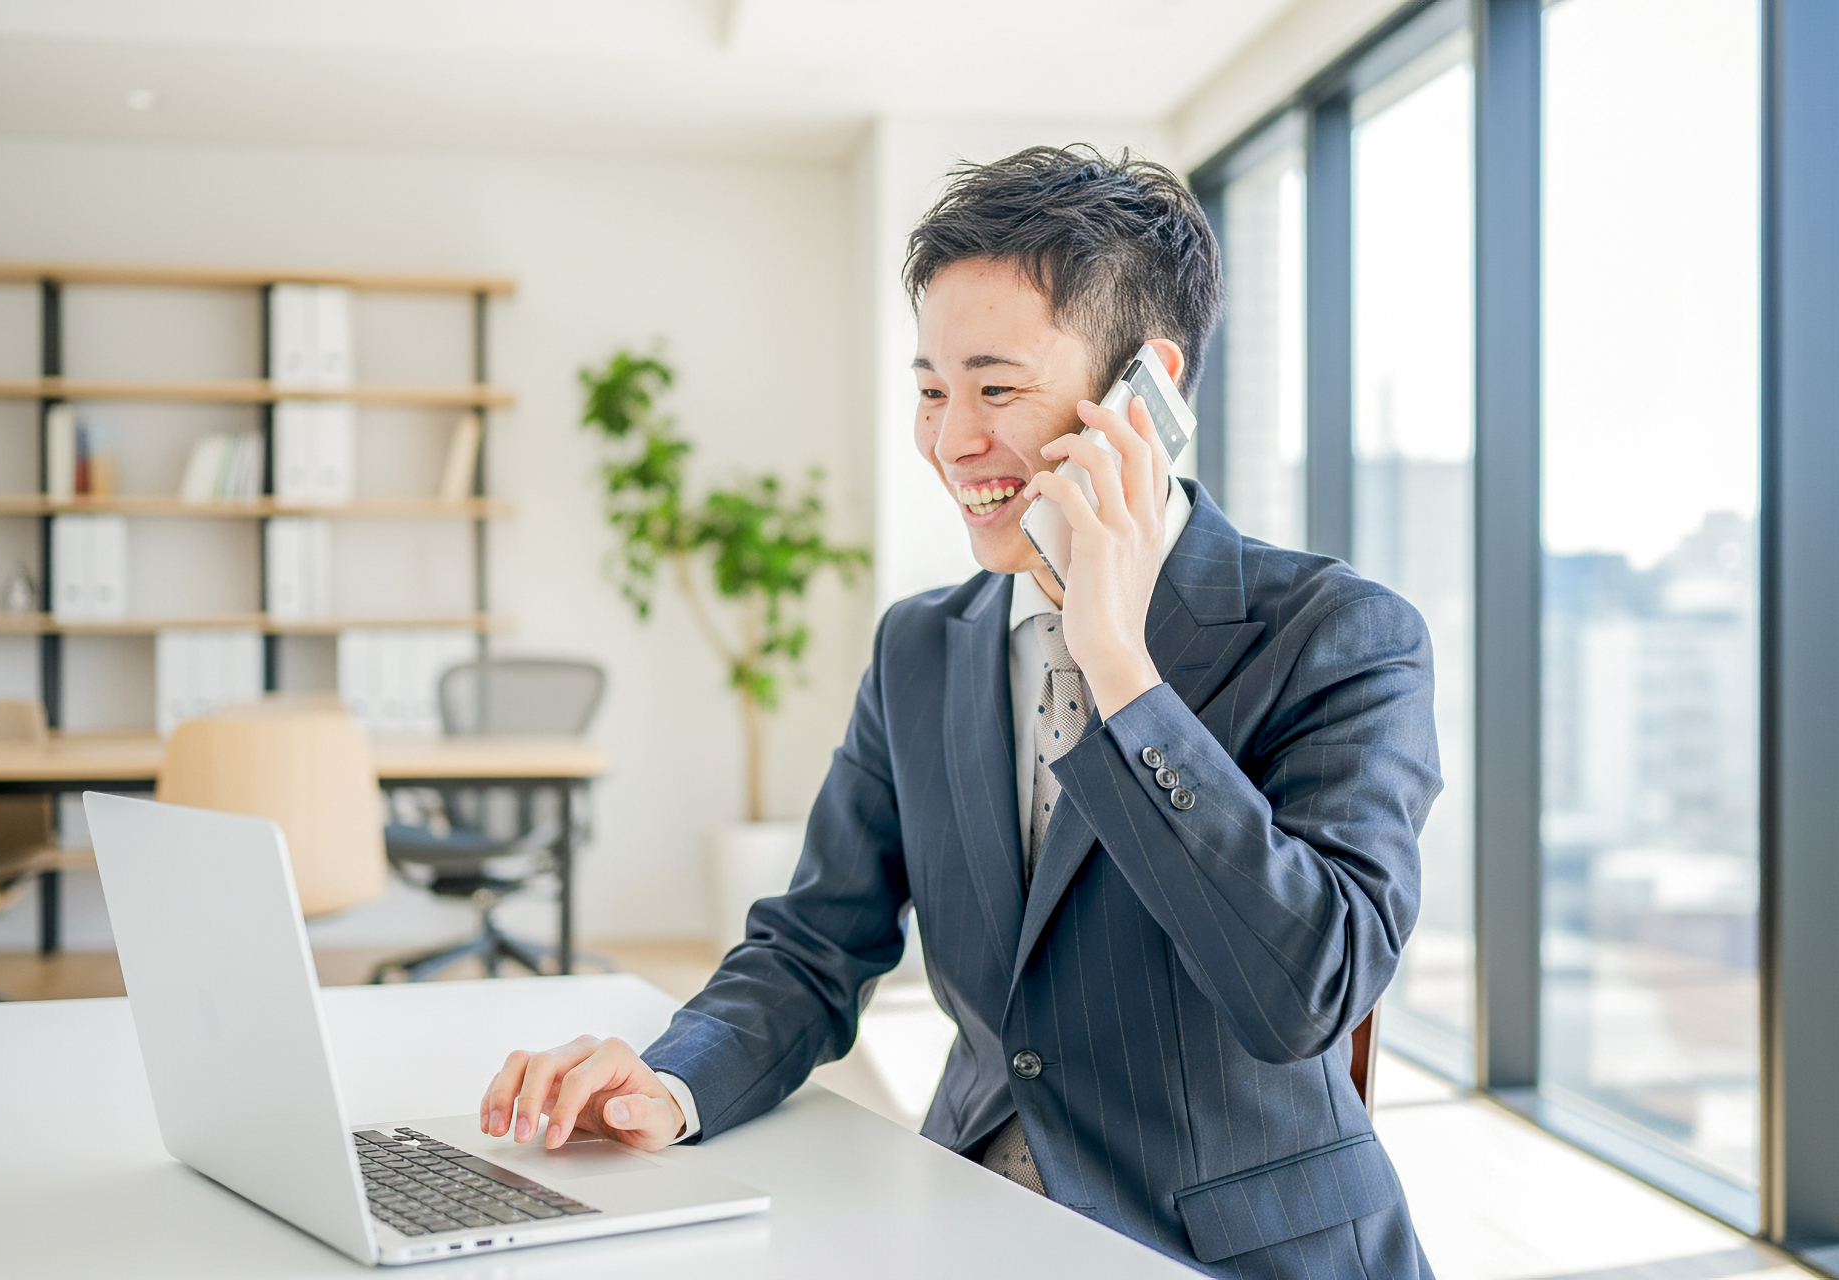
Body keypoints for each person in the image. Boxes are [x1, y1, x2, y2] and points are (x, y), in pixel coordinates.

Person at [479, 145, 1441, 1278]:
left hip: (1228, 1251)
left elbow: (1306, 993)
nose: (951, 442)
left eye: (996, 388)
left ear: (1150, 394)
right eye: (932, 390)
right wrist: (673, 1076)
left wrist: (1119, 667)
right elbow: (812, 946)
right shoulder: (923, 647)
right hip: (972, 1212)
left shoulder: (1339, 634)